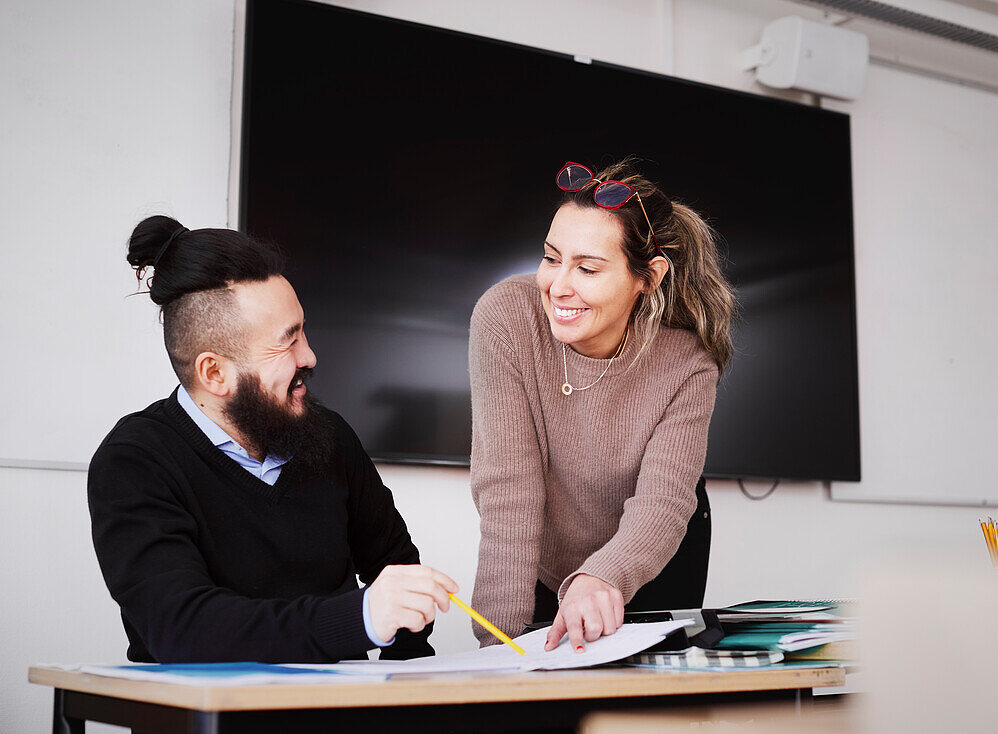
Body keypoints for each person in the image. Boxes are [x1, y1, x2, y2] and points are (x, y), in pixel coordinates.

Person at [88, 216, 457, 663]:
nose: (310, 356)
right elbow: (180, 628)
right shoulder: (134, 462)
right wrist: (359, 619)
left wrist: (400, 689)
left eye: (303, 331)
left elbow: (398, 573)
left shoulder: (329, 435)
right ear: (215, 373)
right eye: (288, 341)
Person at [469, 159, 736, 651]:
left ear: (648, 278)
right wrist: (495, 647)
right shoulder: (506, 318)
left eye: (588, 268)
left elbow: (663, 502)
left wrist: (605, 575)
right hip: (546, 559)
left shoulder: (687, 362)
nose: (558, 287)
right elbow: (509, 487)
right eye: (551, 259)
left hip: (653, 552)